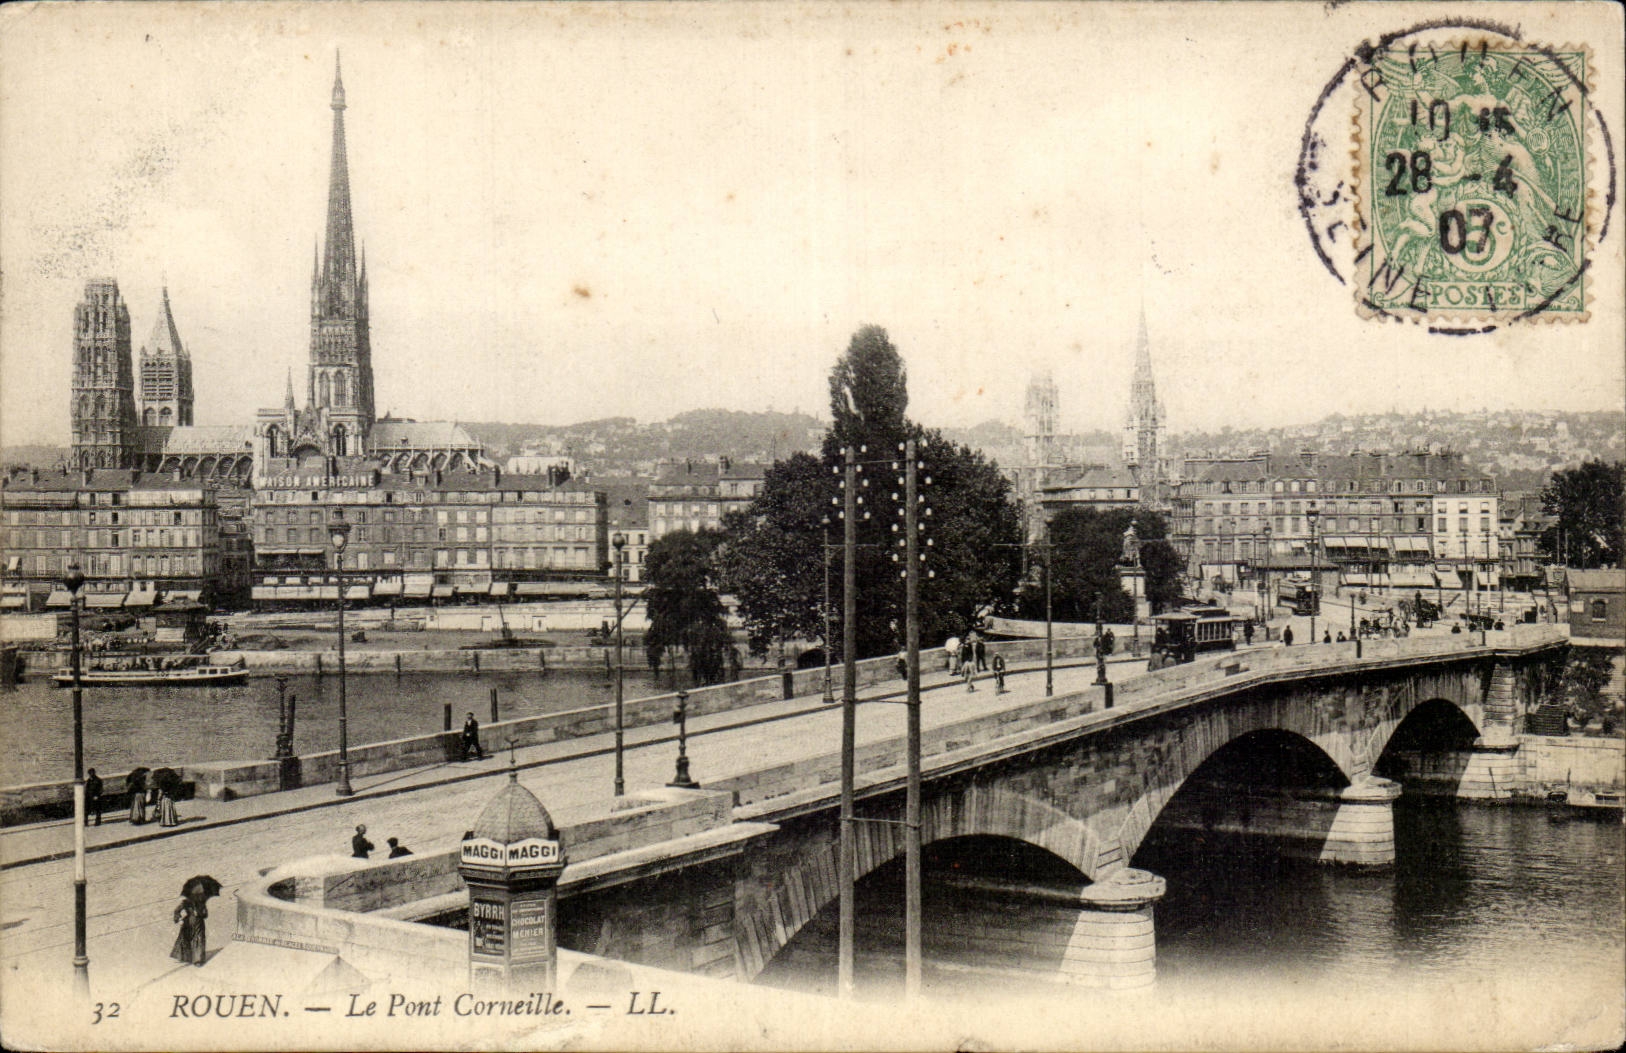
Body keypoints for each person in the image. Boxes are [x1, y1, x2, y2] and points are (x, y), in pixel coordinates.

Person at [171, 892, 208, 966]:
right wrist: (179, 919)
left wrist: (199, 913)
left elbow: (205, 914)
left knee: (198, 939)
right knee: (185, 938)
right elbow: (176, 911)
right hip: (188, 922)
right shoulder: (185, 902)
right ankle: (185, 956)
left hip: (198, 923)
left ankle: (198, 960)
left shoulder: (201, 903)